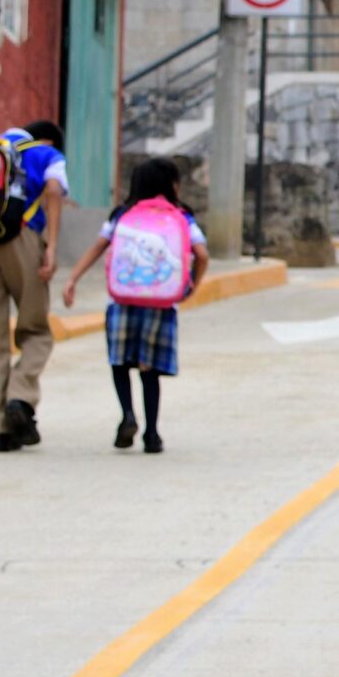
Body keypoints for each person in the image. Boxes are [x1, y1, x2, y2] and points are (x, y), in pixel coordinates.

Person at [59, 157, 209, 454]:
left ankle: (127, 414)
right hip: (161, 303)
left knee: (120, 361)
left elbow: (98, 247)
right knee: (148, 368)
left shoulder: (122, 214)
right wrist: (191, 285)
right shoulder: (182, 216)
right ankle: (152, 433)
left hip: (121, 300)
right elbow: (201, 254)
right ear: (171, 185)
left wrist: (72, 279)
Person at [0, 121, 68, 452]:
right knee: (35, 330)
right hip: (23, 240)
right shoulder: (47, 154)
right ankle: (20, 396)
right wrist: (51, 246)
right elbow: (52, 190)